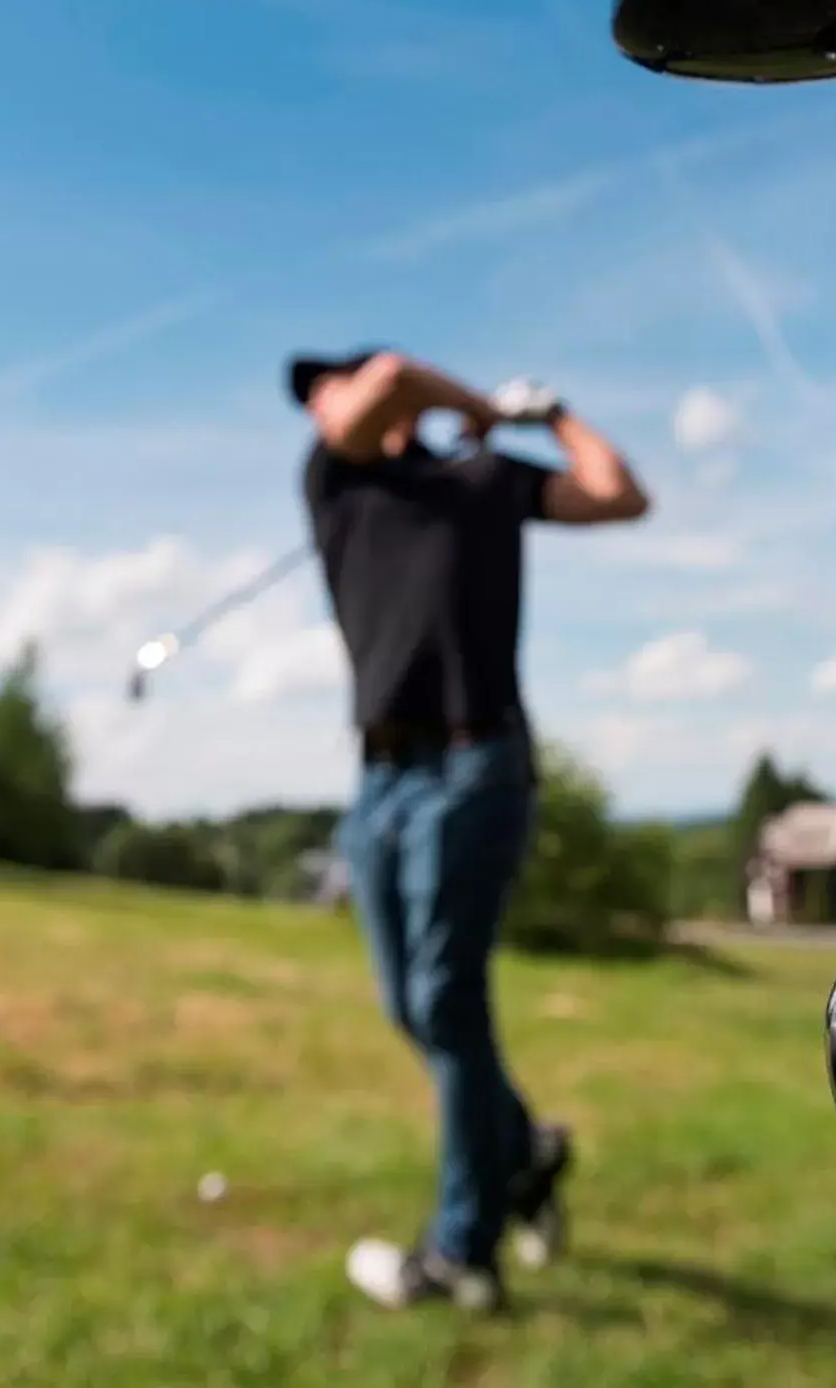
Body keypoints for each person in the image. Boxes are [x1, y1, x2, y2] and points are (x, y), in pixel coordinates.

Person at [287, 347, 650, 1313]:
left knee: (448, 1002)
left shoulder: (483, 478)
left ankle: (461, 1252)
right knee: (414, 1007)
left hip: (476, 764)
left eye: (329, 384)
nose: (326, 404)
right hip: (379, 781)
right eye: (323, 398)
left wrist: (553, 416)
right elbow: (399, 376)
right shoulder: (335, 481)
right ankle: (524, 1151)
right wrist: (486, 406)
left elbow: (618, 496)